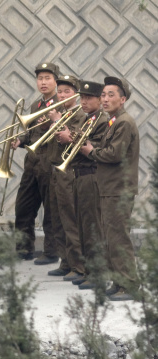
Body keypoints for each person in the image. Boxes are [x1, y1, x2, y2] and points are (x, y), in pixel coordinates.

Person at [80, 76, 139, 301]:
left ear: (122, 99)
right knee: (111, 237)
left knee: (118, 237)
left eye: (110, 95)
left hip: (118, 188)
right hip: (109, 187)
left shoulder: (123, 122)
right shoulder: (114, 120)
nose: (105, 99)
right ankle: (119, 282)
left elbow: (114, 154)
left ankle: (129, 285)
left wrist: (90, 152)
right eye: (103, 95)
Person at [56, 80, 108, 287]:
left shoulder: (102, 120)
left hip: (91, 175)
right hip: (78, 175)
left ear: (98, 99)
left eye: (89, 98)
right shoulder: (89, 119)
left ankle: (97, 274)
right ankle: (88, 270)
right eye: (83, 97)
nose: (84, 101)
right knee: (83, 226)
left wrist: (72, 139)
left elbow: (98, 146)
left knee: (92, 226)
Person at [11, 63, 59, 265]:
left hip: (50, 163)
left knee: (51, 209)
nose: (43, 82)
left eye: (48, 78)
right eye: (40, 79)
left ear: (55, 80)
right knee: (23, 207)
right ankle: (23, 248)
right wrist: (21, 141)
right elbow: (32, 135)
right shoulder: (35, 106)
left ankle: (51, 251)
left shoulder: (61, 105)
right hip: (32, 163)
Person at [45, 75, 84, 277]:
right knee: (57, 219)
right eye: (60, 91)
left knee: (70, 219)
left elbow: (73, 140)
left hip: (69, 172)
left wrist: (57, 122)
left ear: (76, 95)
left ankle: (78, 266)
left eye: (67, 91)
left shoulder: (80, 115)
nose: (62, 95)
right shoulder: (59, 113)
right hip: (55, 170)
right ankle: (65, 261)